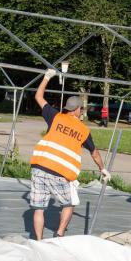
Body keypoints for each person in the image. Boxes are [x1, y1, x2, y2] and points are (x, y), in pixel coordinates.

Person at [30, 69, 111, 240]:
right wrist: (102, 169)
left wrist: (46, 77)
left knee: (39, 208)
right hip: (59, 172)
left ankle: (37, 242)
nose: (81, 112)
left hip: (39, 167)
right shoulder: (83, 130)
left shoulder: (55, 116)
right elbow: (94, 153)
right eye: (81, 109)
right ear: (76, 110)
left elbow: (38, 97)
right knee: (69, 203)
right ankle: (59, 234)